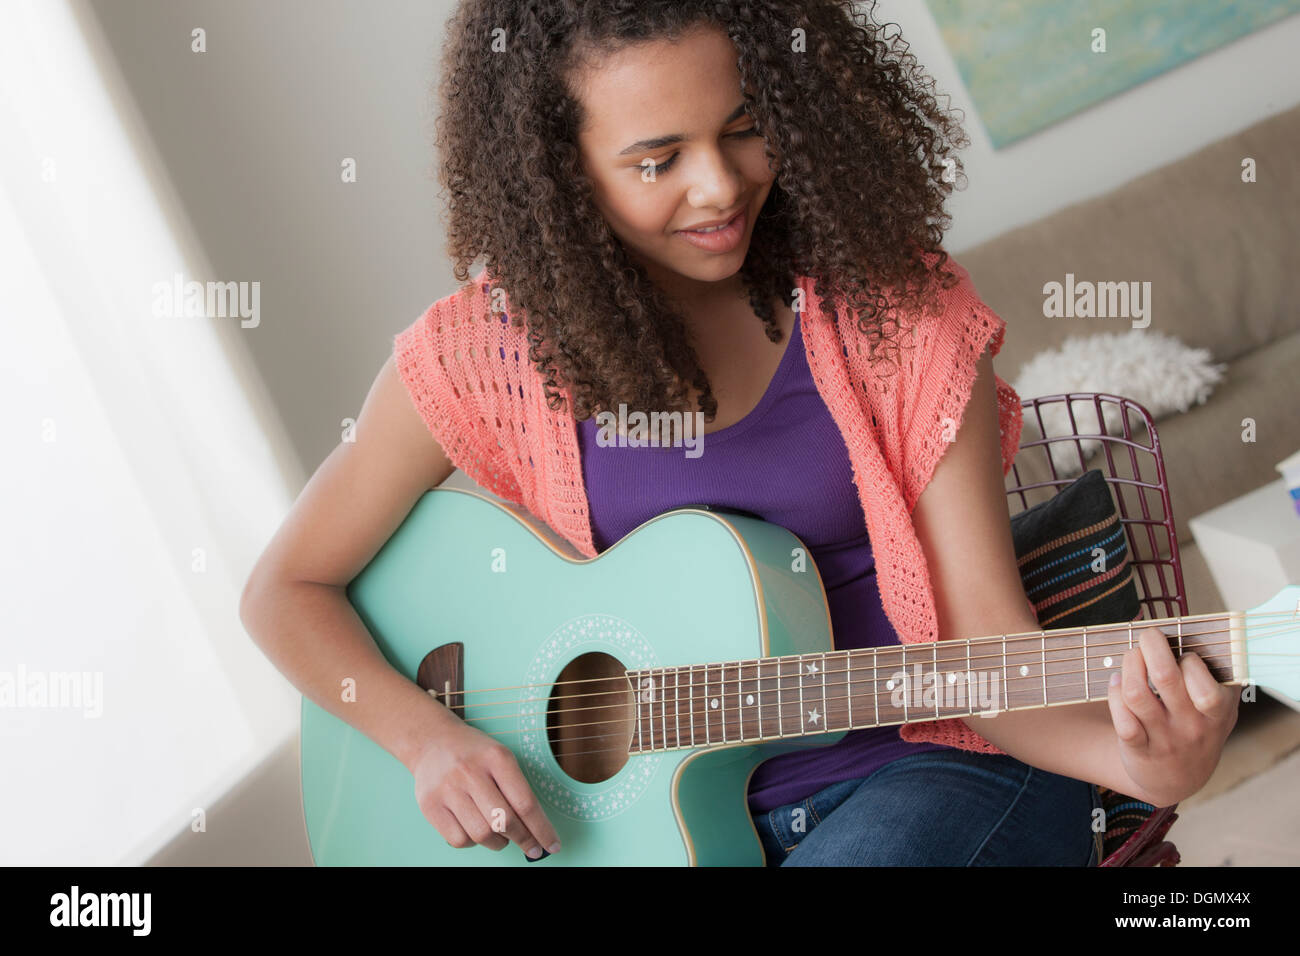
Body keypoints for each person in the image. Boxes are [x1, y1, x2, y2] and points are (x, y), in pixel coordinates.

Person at [240, 0, 1238, 866]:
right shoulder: (484, 355)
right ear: (561, 171)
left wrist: (1140, 760)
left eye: (745, 129)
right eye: (656, 158)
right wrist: (423, 738)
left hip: (936, 771)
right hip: (654, 830)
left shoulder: (895, 314)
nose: (718, 186)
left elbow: (988, 650)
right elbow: (284, 590)